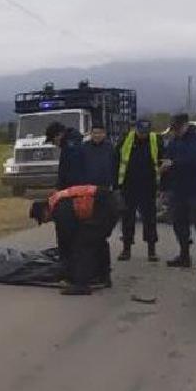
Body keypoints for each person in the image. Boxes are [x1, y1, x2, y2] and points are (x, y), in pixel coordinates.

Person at [49, 122, 117, 292]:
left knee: (82, 242)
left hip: (90, 198)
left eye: (52, 140)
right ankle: (101, 276)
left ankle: (81, 282)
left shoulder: (72, 147)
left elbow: (70, 173)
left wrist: (65, 192)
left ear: (58, 135)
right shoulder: (79, 144)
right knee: (97, 240)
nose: (53, 144)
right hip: (100, 198)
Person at [160, 113, 196, 269]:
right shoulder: (175, 140)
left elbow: (195, 160)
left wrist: (173, 163)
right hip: (178, 188)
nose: (175, 132)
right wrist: (164, 185)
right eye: (174, 129)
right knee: (179, 222)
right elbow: (167, 159)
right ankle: (184, 254)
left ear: (185, 125)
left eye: (178, 129)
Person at [114, 119, 162, 262]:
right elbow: (117, 160)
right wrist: (116, 184)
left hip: (148, 186)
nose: (143, 135)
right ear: (136, 130)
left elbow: (161, 159)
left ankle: (152, 250)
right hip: (129, 186)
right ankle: (126, 249)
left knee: (150, 219)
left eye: (145, 133)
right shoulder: (126, 139)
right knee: (127, 219)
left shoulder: (155, 140)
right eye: (141, 132)